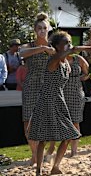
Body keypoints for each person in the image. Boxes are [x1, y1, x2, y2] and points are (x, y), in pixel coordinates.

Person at [28, 31, 91, 176]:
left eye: (69, 42)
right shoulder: (54, 58)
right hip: (47, 100)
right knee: (42, 137)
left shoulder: (64, 62)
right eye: (65, 43)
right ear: (57, 45)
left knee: (69, 134)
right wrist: (87, 48)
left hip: (59, 99)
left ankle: (55, 166)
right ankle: (38, 170)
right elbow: (72, 51)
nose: (69, 45)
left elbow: (73, 57)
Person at [19, 13, 56, 166]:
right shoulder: (30, 46)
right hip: (31, 86)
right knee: (28, 120)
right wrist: (42, 48)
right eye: (39, 28)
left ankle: (48, 151)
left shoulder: (54, 46)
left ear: (48, 29)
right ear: (35, 30)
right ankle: (34, 154)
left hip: (49, 86)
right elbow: (21, 53)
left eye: (44, 28)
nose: (42, 31)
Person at [63, 51, 90, 157]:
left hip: (76, 92)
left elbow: (88, 73)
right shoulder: (58, 58)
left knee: (75, 121)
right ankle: (61, 149)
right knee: (63, 122)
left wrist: (78, 78)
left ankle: (74, 151)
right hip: (62, 92)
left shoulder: (78, 59)